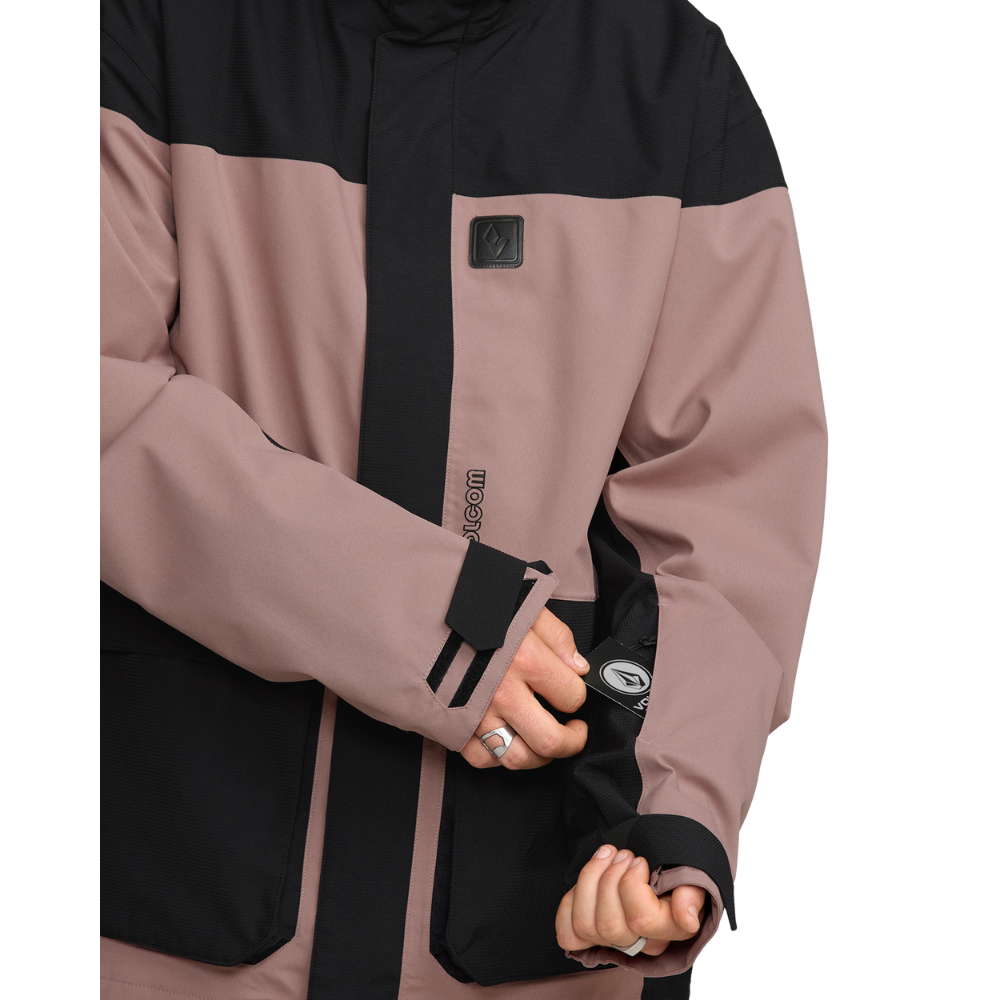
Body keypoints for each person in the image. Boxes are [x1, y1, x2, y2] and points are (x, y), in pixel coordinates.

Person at [100, 1, 826, 998]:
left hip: (532, 919)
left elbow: (730, 511)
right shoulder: (158, 29)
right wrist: (444, 619)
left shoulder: (668, 76)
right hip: (169, 899)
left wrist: (669, 817)